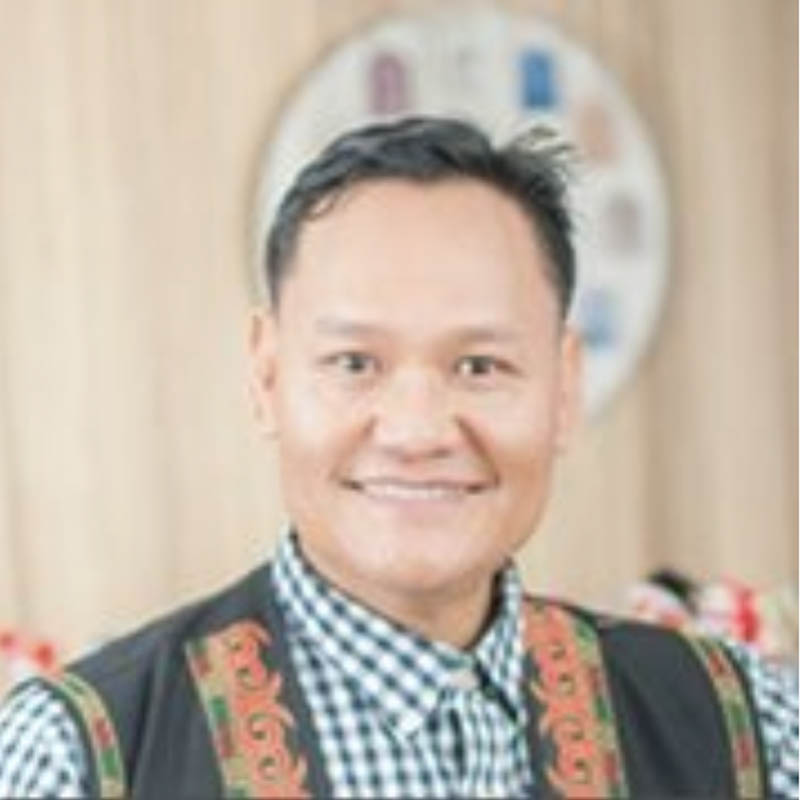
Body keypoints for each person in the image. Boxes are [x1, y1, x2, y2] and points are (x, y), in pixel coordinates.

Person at [0, 117, 796, 799]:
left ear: (564, 387)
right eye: (355, 363)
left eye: (479, 366)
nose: (417, 432)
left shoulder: (746, 726)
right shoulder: (77, 755)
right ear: (266, 375)